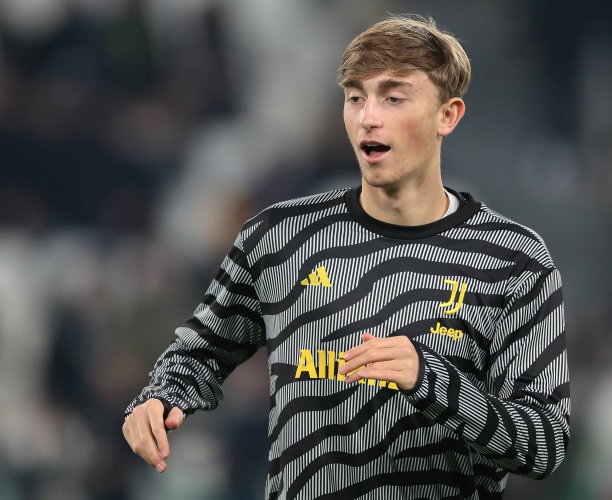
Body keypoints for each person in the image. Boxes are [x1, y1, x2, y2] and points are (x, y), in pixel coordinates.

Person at [123, 14, 570, 499]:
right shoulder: (279, 236)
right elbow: (200, 351)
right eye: (356, 97)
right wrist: (158, 398)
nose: (368, 117)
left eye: (394, 98)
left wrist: (431, 380)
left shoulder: (514, 260)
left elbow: (545, 444)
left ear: (448, 115)